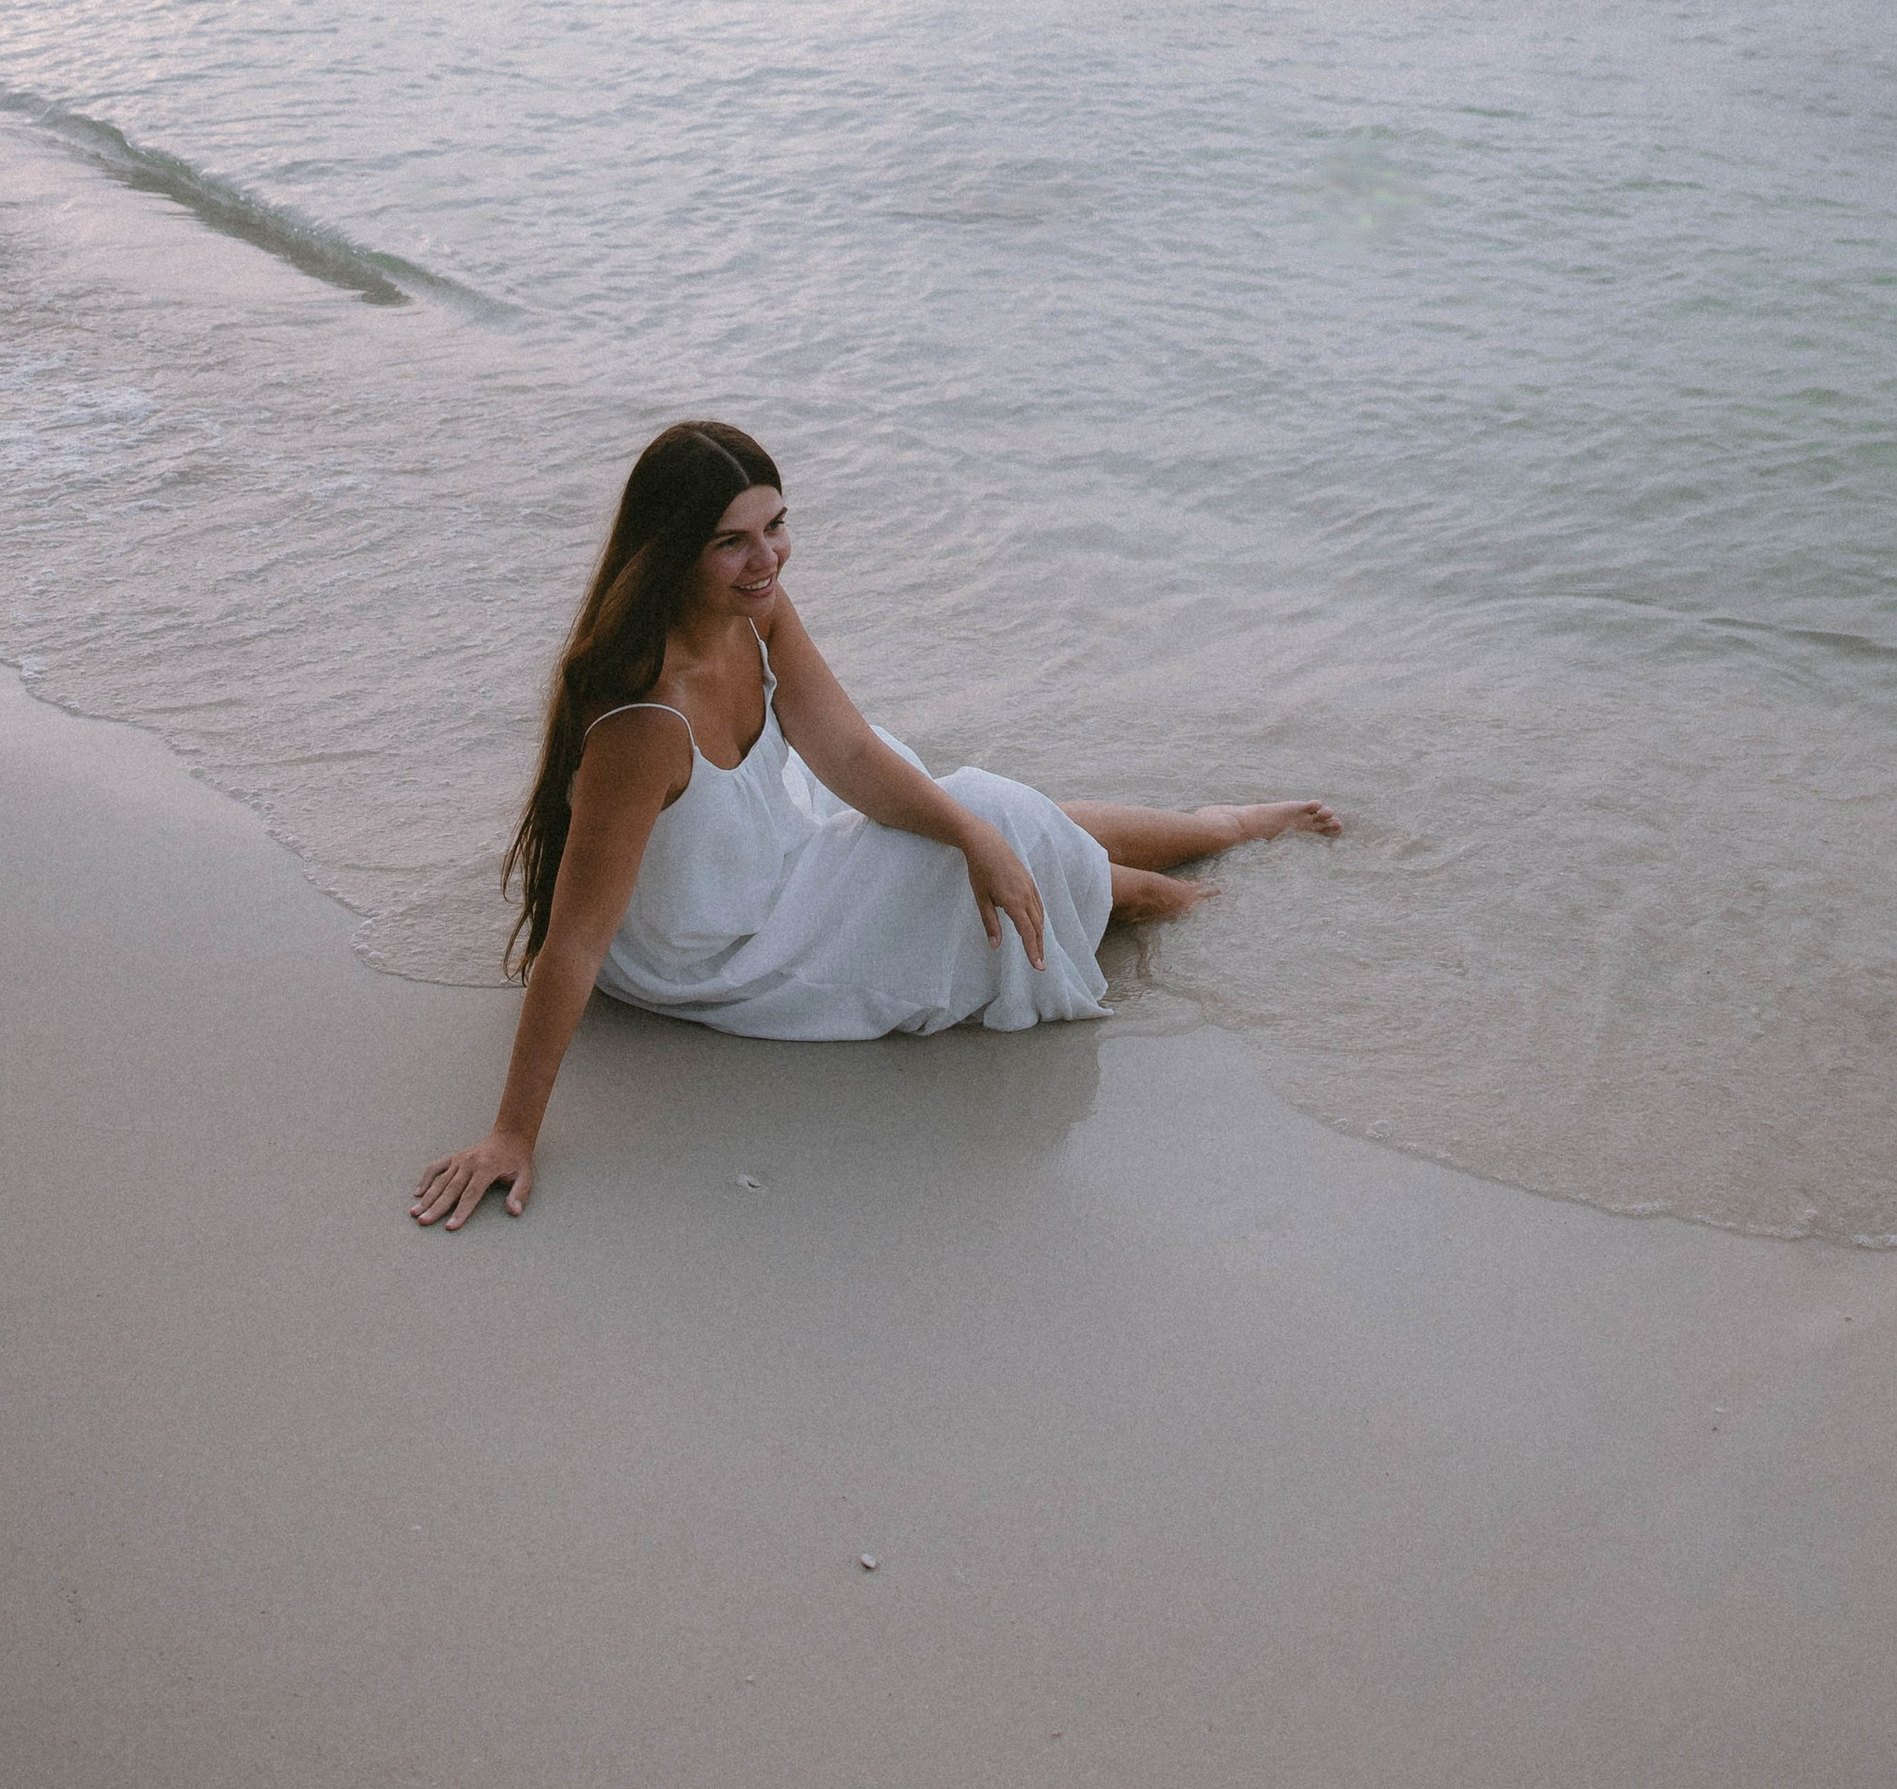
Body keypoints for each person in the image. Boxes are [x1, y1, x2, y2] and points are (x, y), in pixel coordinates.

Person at [413, 420, 1340, 1229]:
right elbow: (575, 943)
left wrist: (969, 837)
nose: (766, 558)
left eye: (775, 526)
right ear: (671, 552)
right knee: (1065, 867)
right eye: (731, 542)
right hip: (720, 944)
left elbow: (848, 754)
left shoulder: (755, 614)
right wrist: (510, 1132)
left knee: (993, 821)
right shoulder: (646, 724)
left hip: (767, 850)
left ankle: (1218, 825)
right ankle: (1205, 897)